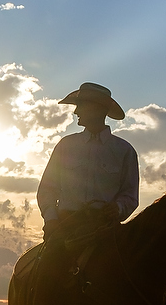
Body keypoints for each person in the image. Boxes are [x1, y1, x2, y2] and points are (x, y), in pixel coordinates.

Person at [36, 81, 138, 242]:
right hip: (65, 227)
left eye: (81, 105)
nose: (76, 111)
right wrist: (52, 220)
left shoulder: (125, 151)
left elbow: (130, 195)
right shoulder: (66, 145)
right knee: (47, 266)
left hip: (105, 230)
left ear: (97, 109)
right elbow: (47, 189)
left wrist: (118, 208)